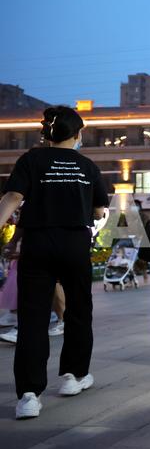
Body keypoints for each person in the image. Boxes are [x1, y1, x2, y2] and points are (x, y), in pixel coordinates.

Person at [0, 106, 108, 419]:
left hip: (38, 242)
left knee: (32, 317)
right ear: (78, 134)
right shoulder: (87, 166)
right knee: (78, 311)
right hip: (74, 243)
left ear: (47, 133)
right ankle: (74, 376)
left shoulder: (31, 160)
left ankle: (29, 396)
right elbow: (99, 211)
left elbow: (12, 198)